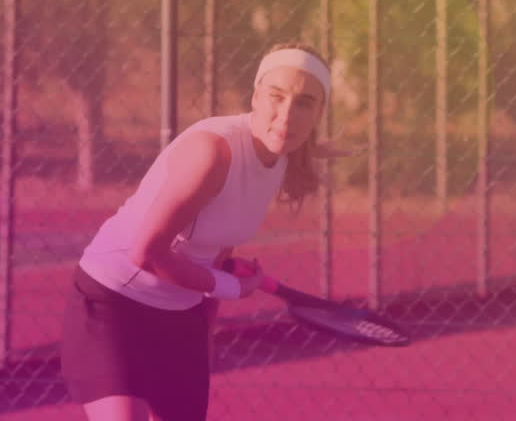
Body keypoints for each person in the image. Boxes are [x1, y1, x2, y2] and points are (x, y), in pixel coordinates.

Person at [60, 42, 347, 421]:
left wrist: (203, 332)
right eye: (276, 96)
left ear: (319, 112)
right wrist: (230, 287)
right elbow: (146, 254)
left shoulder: (281, 154)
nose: (286, 114)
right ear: (256, 95)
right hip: (112, 302)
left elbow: (218, 255)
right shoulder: (213, 152)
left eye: (304, 103)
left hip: (180, 316)